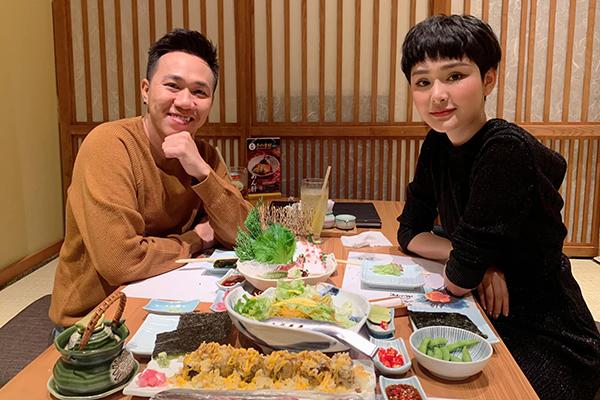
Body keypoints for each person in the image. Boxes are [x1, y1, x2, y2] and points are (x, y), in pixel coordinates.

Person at [397, 15, 600, 400]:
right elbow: (409, 232)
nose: (437, 94)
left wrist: (470, 264)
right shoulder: (437, 144)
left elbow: (459, 278)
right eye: (423, 82)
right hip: (481, 314)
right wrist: (478, 263)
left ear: (489, 79)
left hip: (545, 335)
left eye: (454, 76)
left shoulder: (503, 150)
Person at [50, 29, 250, 328]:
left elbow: (245, 236)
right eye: (172, 86)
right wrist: (197, 238)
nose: (185, 101)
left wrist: (202, 172)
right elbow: (122, 261)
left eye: (199, 92)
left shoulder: (203, 156)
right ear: (146, 90)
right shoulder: (110, 145)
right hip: (97, 322)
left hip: (173, 300)